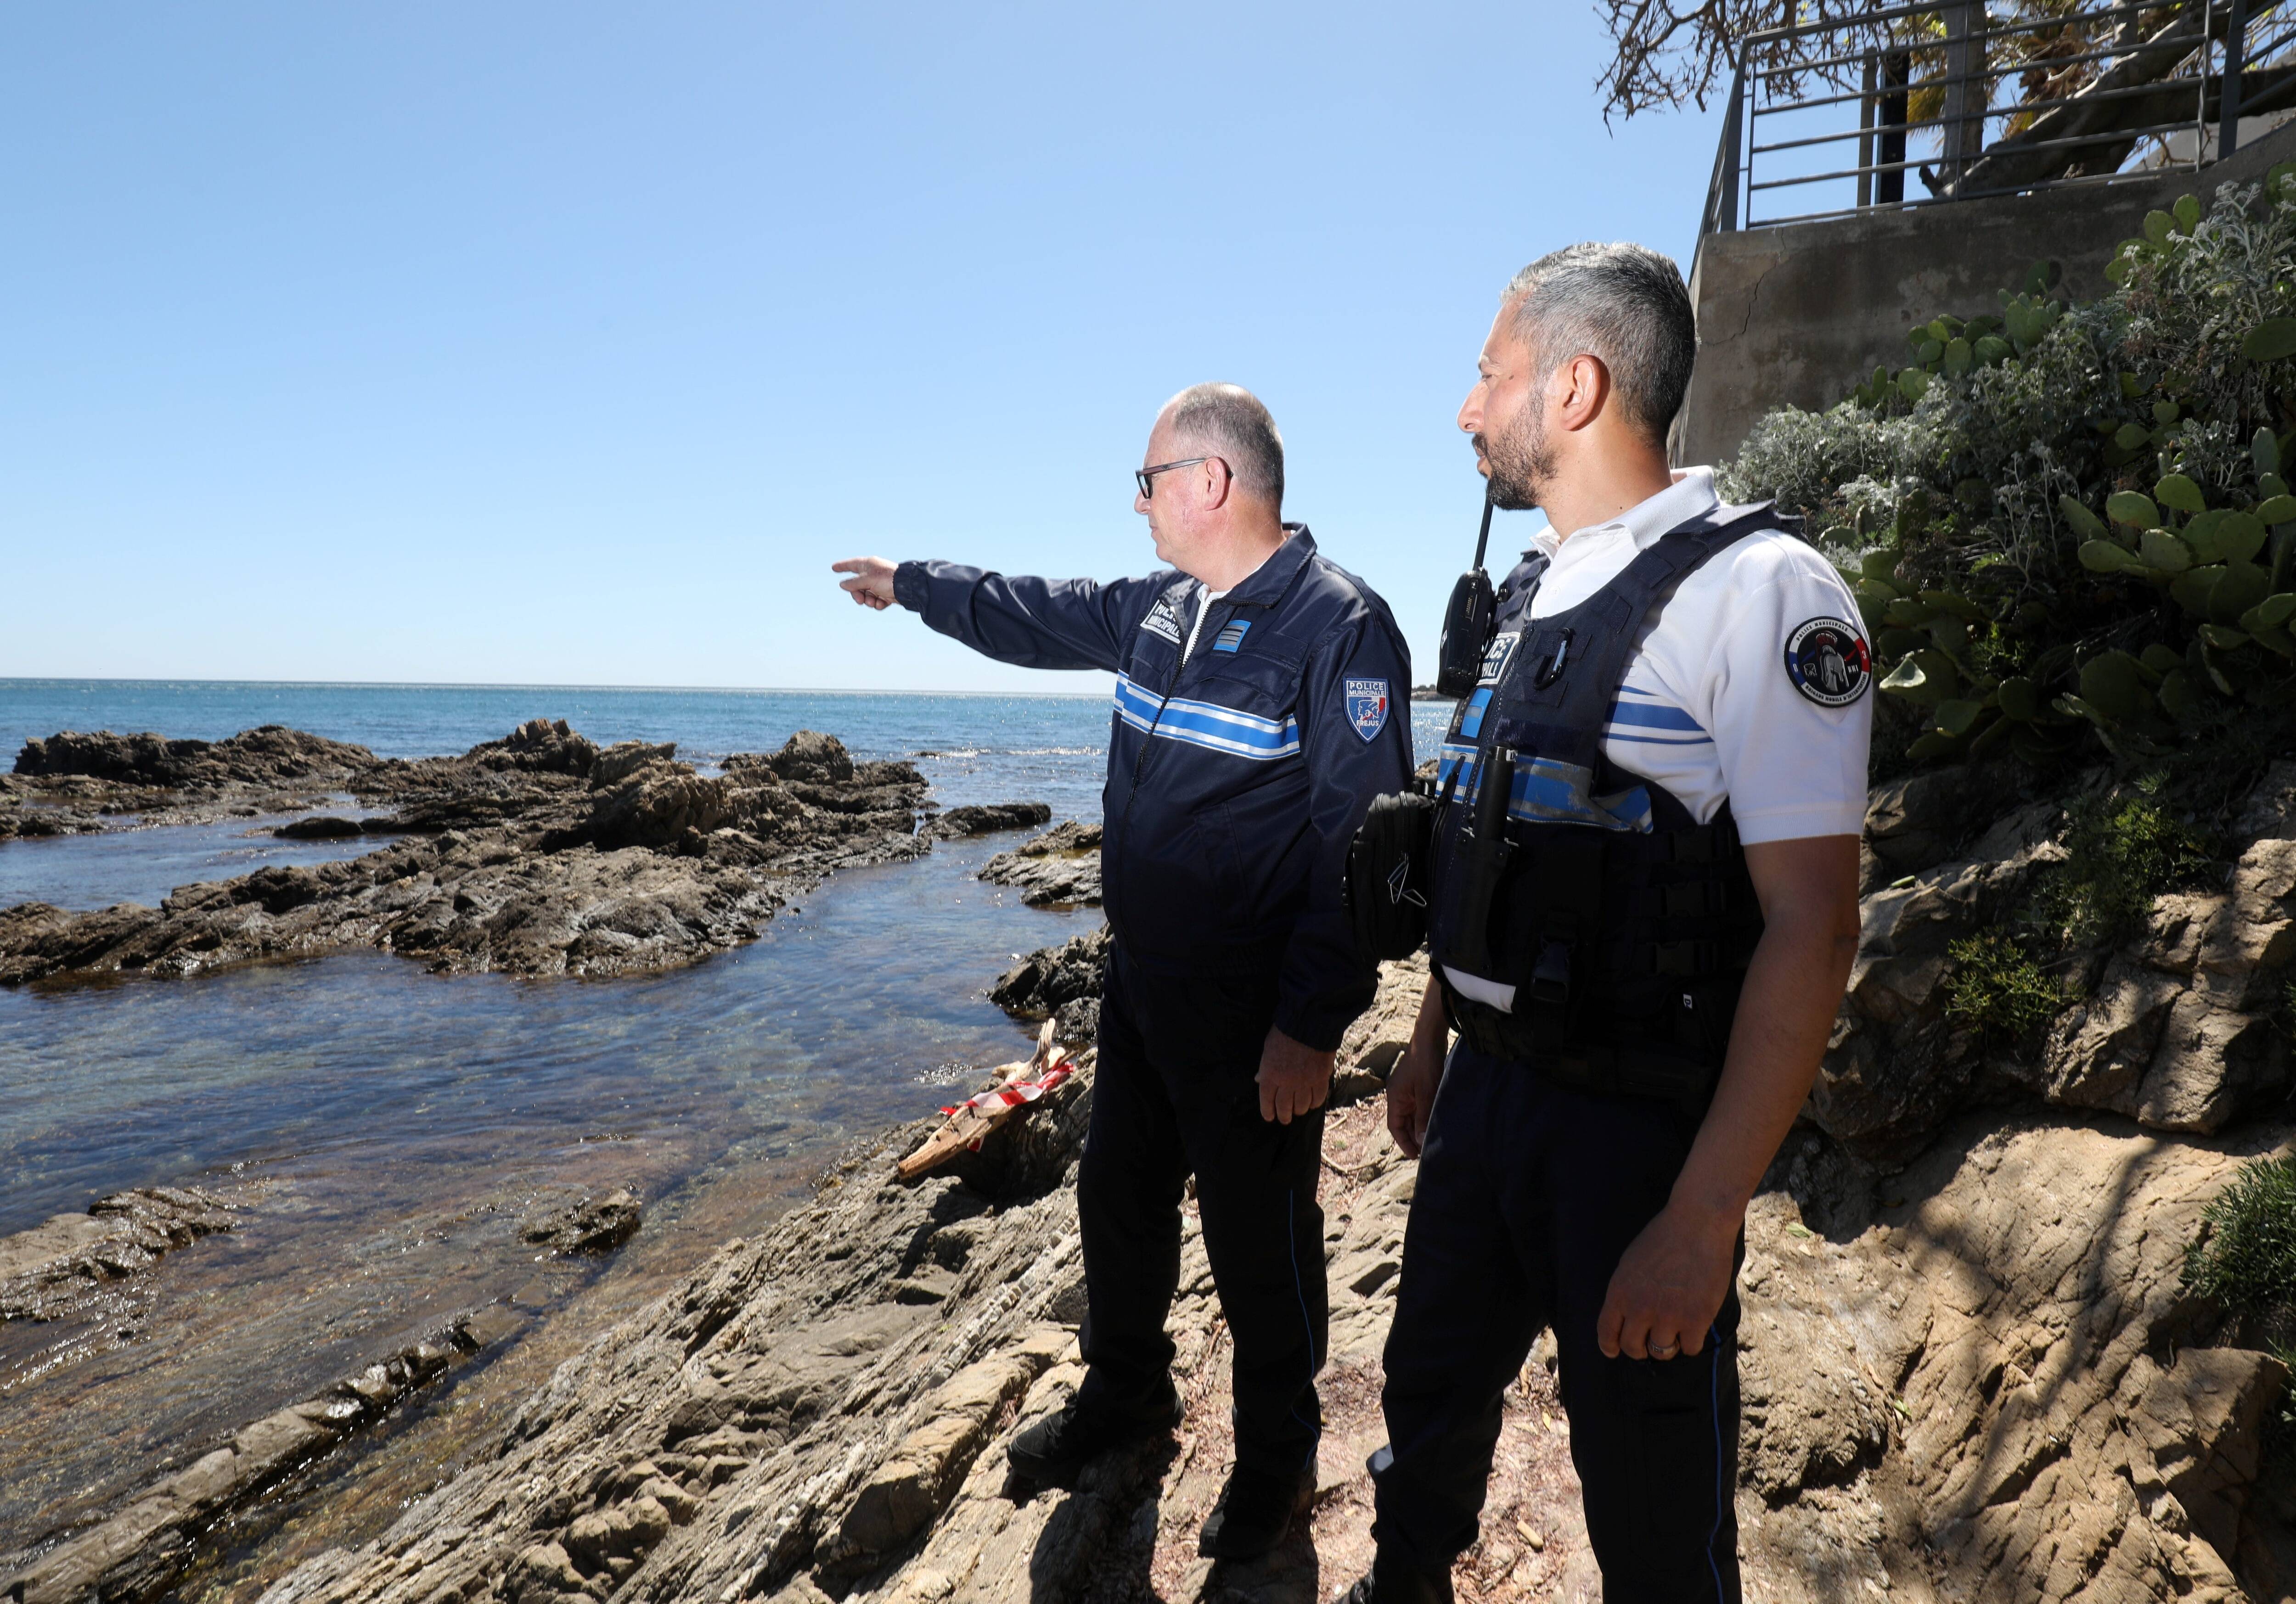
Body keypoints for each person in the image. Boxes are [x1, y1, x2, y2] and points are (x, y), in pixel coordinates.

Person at [1342, 245, 1869, 1604]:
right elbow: (1494, 840)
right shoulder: (1533, 591)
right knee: (1428, 1405)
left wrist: (1702, 1219)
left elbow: (1812, 926)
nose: (1468, 408)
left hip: (1633, 1138)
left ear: (1574, 385)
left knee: (1649, 1500)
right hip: (1482, 1109)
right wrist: (1427, 1039)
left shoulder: (1763, 593)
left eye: (1487, 374)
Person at [832, 382, 1413, 1559]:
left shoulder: (1339, 628)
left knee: (1260, 1241)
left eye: (1148, 480)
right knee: (1120, 1200)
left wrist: (1310, 1023)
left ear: (1209, 483)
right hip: (1141, 986)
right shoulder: (1157, 606)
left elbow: (1363, 849)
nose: (1137, 503)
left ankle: (1276, 1459)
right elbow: (1031, 611)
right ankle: (1127, 1396)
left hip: (1255, 1016)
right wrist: (913, 585)